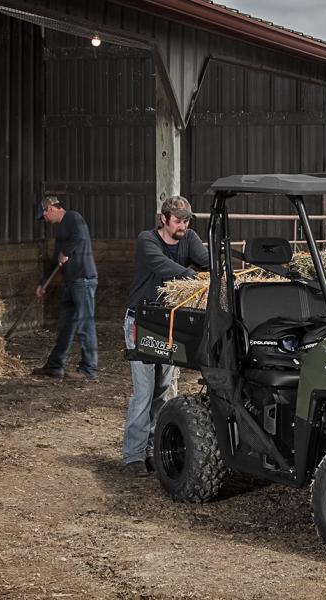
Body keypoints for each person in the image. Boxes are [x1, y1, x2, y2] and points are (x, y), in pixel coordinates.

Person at [122, 195, 209, 477]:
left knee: (162, 390)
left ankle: (152, 448)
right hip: (142, 320)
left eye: (186, 220)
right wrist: (195, 279)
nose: (183, 225)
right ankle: (133, 455)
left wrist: (225, 269)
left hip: (170, 322)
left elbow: (206, 260)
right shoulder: (147, 240)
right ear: (164, 219)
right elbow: (162, 266)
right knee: (144, 392)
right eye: (178, 220)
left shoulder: (190, 237)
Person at [32, 195, 99, 380]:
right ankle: (55, 365)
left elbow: (79, 237)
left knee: (85, 324)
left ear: (51, 208)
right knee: (67, 324)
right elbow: (56, 258)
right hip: (72, 281)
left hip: (83, 278)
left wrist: (66, 252)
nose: (45, 220)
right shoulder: (61, 228)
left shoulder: (73, 218)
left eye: (44, 216)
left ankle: (89, 369)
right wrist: (43, 283)